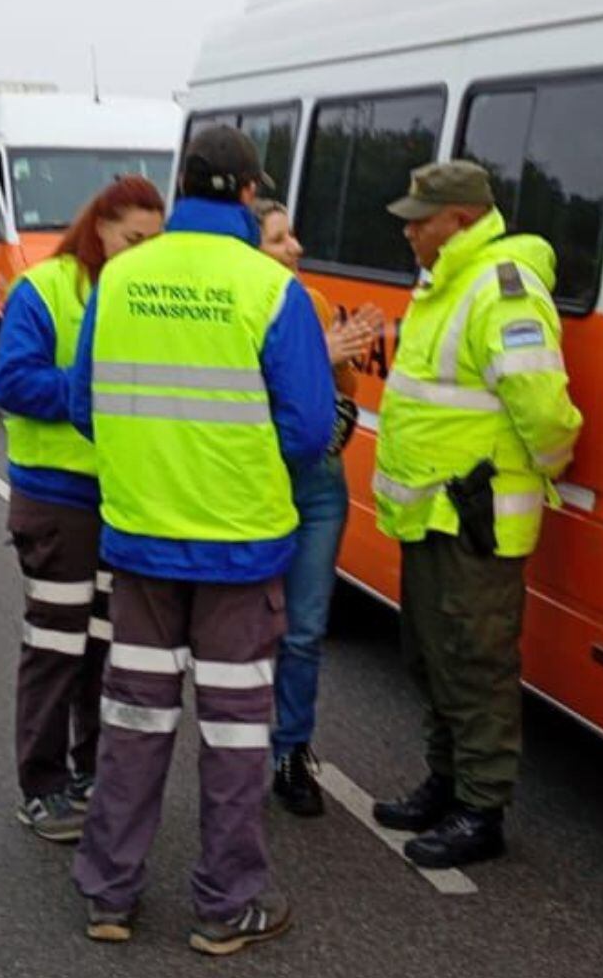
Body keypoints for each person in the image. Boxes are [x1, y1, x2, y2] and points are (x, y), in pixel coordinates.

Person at [68, 127, 335, 954]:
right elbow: (310, 428)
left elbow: (81, 405)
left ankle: (109, 895)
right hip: (241, 548)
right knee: (235, 730)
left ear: (180, 185)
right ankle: (226, 907)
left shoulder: (121, 278)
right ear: (250, 193)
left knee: (133, 720)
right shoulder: (271, 287)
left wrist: (154, 456)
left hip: (141, 541)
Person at [369, 160, 583, 869]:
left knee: (476, 663)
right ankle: (447, 782)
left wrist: (545, 469)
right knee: (431, 656)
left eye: (419, 220)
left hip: (475, 521)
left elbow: (544, 413)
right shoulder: (446, 280)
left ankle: (480, 810)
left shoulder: (502, 289)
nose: (408, 231)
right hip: (433, 514)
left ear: (459, 220)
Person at [0, 175, 165, 842]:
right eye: (132, 239)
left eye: (154, 242)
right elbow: (13, 381)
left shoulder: (143, 292)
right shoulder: (45, 289)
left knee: (104, 647)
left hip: (122, 499)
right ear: (99, 229)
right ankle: (40, 788)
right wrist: (94, 389)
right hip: (57, 500)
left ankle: (92, 772)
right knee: (55, 646)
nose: (143, 252)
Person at [251, 199, 384, 816]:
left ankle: (292, 750)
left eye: (294, 235)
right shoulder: (238, 306)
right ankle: (237, 747)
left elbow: (344, 394)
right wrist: (312, 357)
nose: (296, 248)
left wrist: (339, 360)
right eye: (280, 239)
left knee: (304, 631)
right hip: (255, 487)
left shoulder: (315, 303)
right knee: (248, 630)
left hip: (320, 490)